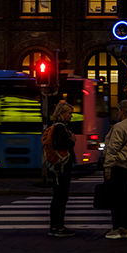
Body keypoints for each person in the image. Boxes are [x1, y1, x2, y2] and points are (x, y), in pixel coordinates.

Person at [104, 99, 127, 239]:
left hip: (117, 166)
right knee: (125, 197)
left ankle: (115, 229)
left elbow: (113, 148)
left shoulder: (119, 127)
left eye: (118, 110)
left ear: (123, 111)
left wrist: (107, 168)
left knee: (116, 199)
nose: (117, 112)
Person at [47, 101, 76, 237]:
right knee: (61, 197)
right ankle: (60, 227)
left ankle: (54, 227)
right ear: (61, 113)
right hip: (62, 167)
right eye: (69, 113)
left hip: (57, 167)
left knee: (57, 197)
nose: (71, 116)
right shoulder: (60, 128)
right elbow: (60, 145)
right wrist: (72, 141)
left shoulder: (56, 127)